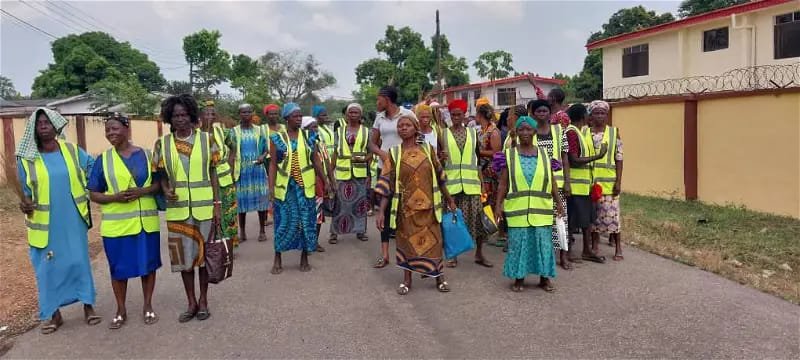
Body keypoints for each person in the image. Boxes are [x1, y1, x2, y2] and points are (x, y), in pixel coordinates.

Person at [16, 108, 101, 334]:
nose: (43, 126)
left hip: (73, 217)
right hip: (45, 224)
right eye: (39, 123)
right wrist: (24, 203)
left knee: (78, 261)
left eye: (47, 122)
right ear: (33, 129)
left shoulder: (72, 150)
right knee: (47, 268)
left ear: (55, 126)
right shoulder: (26, 159)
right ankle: (54, 314)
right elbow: (24, 192)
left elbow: (93, 170)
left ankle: (88, 306)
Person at [88, 114, 161, 329]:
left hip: (146, 223)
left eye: (115, 128)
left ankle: (148, 305)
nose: (111, 133)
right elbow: (93, 193)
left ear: (127, 129)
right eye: (108, 130)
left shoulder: (147, 156)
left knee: (148, 266)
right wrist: (114, 197)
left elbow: (158, 185)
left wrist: (142, 191)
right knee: (118, 269)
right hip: (116, 227)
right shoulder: (103, 160)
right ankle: (121, 309)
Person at [153, 94, 222, 322]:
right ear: (169, 118)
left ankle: (204, 301)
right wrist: (165, 190)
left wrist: (217, 206)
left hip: (204, 208)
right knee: (184, 260)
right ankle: (190, 302)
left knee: (203, 258)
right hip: (178, 209)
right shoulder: (161, 144)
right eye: (175, 115)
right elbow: (160, 174)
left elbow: (213, 172)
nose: (180, 119)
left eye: (183, 115)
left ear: (191, 115)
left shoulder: (206, 139)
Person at [374, 114, 456, 295]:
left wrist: (449, 199)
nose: (403, 128)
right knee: (406, 244)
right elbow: (386, 184)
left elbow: (440, 176)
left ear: (415, 128)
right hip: (406, 211)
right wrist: (381, 212)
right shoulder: (394, 153)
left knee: (435, 243)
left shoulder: (428, 149)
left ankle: (439, 278)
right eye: (400, 125)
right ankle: (407, 280)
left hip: (430, 208)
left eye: (407, 125)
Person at [494, 116, 563, 292]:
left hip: (541, 210)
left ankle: (544, 279)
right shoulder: (509, 155)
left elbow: (552, 182)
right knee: (519, 244)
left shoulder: (545, 155)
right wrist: (498, 205)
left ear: (534, 132)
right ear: (516, 132)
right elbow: (503, 183)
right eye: (521, 129)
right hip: (518, 210)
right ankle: (519, 278)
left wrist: (559, 203)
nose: (525, 133)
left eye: (528, 129)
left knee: (543, 244)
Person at [268, 103, 332, 274]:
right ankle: (278, 258)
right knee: (282, 223)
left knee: (306, 221)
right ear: (286, 118)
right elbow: (273, 164)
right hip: (286, 188)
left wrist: (325, 181)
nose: (298, 119)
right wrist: (271, 188)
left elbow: (316, 161)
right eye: (295, 116)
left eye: (300, 116)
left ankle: (304, 258)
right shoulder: (277, 138)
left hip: (305, 187)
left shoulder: (309, 136)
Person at [368, 85, 415, 268]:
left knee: (407, 209)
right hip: (384, 168)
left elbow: (417, 136)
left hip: (405, 168)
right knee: (384, 210)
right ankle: (385, 255)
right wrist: (384, 155)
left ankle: (410, 252)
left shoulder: (407, 114)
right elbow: (371, 144)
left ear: (386, 99)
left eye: (378, 99)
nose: (376, 102)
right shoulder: (379, 118)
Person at [441, 99, 492, 268]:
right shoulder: (443, 134)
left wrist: (482, 183)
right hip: (452, 185)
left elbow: (476, 159)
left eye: (459, 114)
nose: (456, 117)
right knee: (453, 221)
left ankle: (479, 254)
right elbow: (439, 160)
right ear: (450, 115)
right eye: (453, 114)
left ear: (464, 115)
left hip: (471, 185)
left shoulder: (472, 133)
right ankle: (454, 255)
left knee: (478, 221)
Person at [528, 99, 573, 270]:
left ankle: (563, 255)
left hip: (558, 183)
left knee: (561, 220)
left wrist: (568, 182)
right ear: (533, 114)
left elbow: (565, 158)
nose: (541, 114)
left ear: (549, 114)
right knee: (542, 220)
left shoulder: (558, 131)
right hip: (538, 184)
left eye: (544, 111)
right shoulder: (529, 133)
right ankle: (545, 255)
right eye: (538, 111)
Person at [564, 104, 608, 263]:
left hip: (585, 186)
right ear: (583, 116)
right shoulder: (572, 133)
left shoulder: (581, 133)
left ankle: (586, 250)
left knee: (588, 220)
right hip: (575, 186)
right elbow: (573, 160)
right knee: (572, 220)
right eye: (588, 114)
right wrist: (598, 156)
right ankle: (568, 252)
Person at [329, 103, 370, 244]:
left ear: (360, 115)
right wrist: (330, 173)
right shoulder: (339, 131)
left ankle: (360, 231)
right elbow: (335, 153)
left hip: (359, 174)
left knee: (360, 204)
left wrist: (365, 159)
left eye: (356, 113)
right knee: (339, 204)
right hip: (342, 172)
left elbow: (372, 151)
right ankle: (334, 232)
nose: (353, 115)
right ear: (346, 115)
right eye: (350, 113)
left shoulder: (366, 131)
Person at [588, 100, 625, 261]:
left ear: (607, 115)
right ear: (591, 115)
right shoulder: (586, 133)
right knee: (594, 215)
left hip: (609, 182)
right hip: (591, 181)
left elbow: (619, 158)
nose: (600, 116)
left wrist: (618, 181)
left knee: (613, 215)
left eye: (603, 113)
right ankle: (595, 244)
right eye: (596, 113)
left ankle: (618, 247)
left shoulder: (613, 132)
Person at [229, 104, 270, 243]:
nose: (246, 114)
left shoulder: (259, 130)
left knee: (261, 200)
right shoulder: (234, 131)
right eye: (243, 112)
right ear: (239, 114)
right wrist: (230, 172)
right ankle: (243, 232)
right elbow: (231, 152)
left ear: (252, 113)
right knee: (241, 202)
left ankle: (262, 231)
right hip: (242, 170)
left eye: (249, 112)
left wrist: (262, 157)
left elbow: (266, 149)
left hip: (257, 169)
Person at [201, 101, 239, 248]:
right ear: (201, 116)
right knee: (210, 211)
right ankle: (213, 242)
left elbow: (234, 147)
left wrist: (230, 164)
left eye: (212, 114)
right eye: (206, 114)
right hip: (205, 178)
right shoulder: (197, 135)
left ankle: (229, 243)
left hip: (224, 177)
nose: (210, 117)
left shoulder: (223, 132)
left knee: (228, 211)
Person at [301, 116, 336, 252]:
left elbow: (327, 162)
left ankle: (314, 242)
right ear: (304, 129)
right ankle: (306, 243)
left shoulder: (319, 142)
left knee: (318, 212)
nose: (316, 130)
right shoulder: (303, 145)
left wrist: (331, 181)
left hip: (319, 182)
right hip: (306, 181)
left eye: (316, 127)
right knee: (306, 213)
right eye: (313, 127)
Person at [475, 103, 502, 247]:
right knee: (483, 200)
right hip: (481, 170)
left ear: (480, 115)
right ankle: (484, 230)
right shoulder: (481, 131)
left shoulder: (493, 131)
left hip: (489, 170)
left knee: (488, 200)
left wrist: (478, 152)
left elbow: (496, 153)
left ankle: (490, 229)